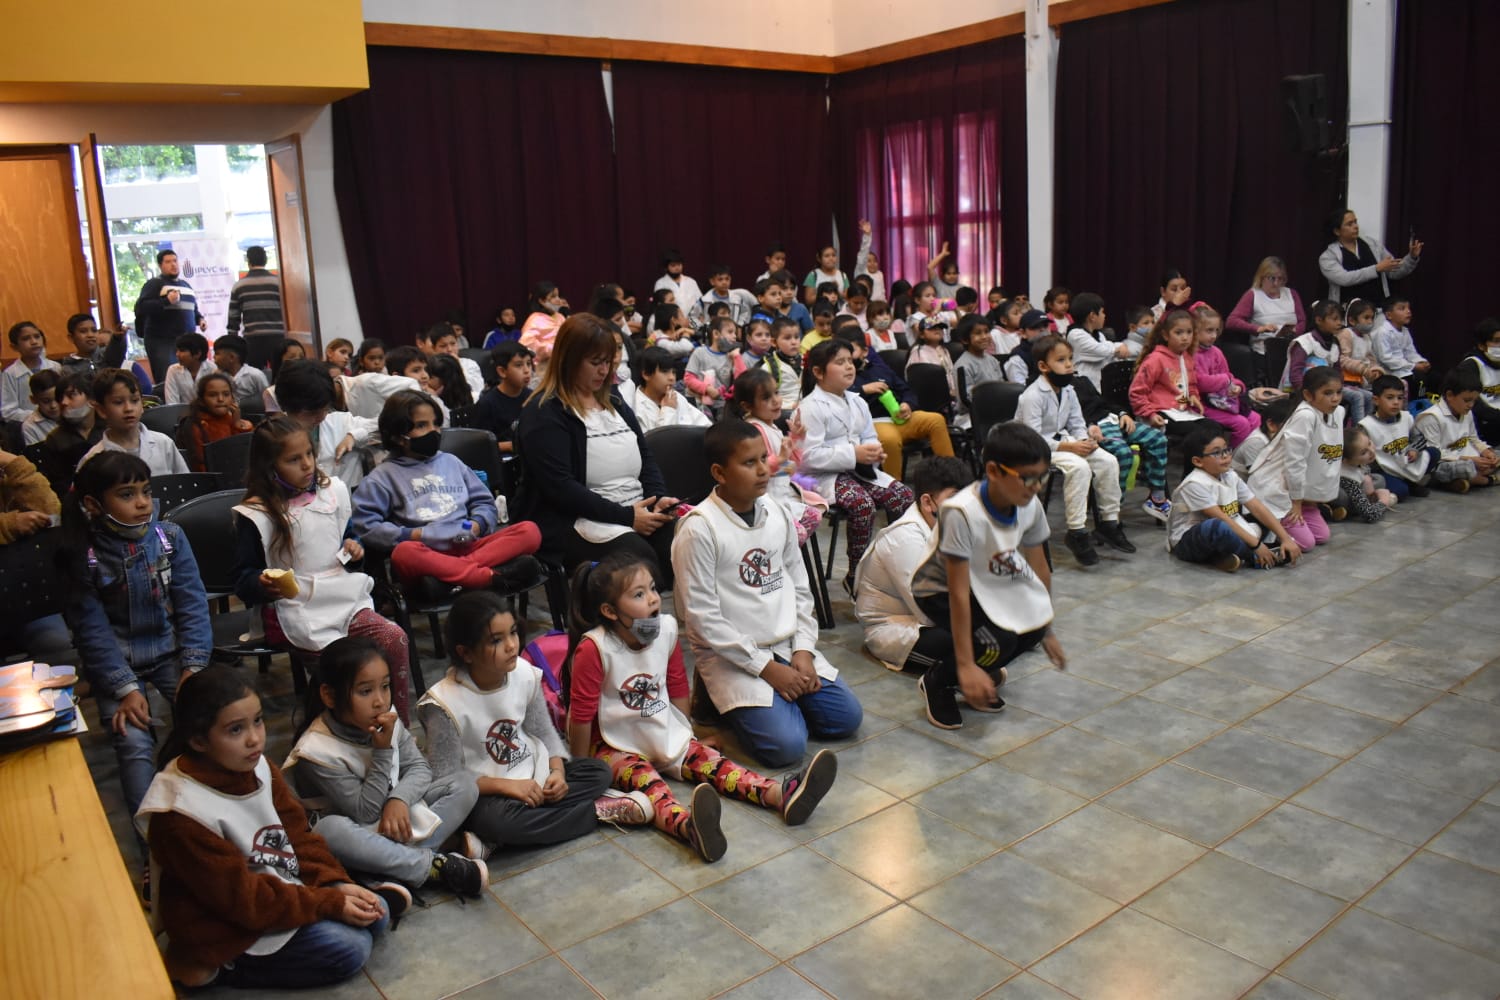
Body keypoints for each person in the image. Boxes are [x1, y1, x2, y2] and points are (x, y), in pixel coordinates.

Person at [564, 553, 838, 862]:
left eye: (653, 589)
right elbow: (582, 714)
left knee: (716, 764)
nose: (654, 600)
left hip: (661, 729)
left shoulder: (666, 628)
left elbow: (678, 685)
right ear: (609, 611)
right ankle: (688, 827)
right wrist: (581, 766)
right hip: (614, 745)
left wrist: (687, 736)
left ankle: (779, 794)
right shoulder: (595, 648)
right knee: (651, 786)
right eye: (639, 595)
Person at [136, 665, 389, 990]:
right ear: (199, 740)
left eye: (257, 721)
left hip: (277, 895)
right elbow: (242, 901)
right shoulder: (179, 815)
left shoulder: (258, 767)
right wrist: (326, 903)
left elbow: (299, 838)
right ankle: (211, 966)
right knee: (350, 949)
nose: (255, 738)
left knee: (376, 913)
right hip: (226, 925)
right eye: (235, 730)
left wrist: (333, 884)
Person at [672, 420, 863, 767]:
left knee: (845, 719)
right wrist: (767, 669)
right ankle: (720, 703)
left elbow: (799, 587)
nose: (763, 470)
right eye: (749, 463)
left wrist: (803, 650)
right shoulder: (699, 529)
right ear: (720, 472)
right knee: (787, 749)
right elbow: (701, 619)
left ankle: (778, 701)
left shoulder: (776, 511)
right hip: (735, 654)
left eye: (764, 458)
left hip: (787, 644)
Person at [64, 452, 212, 872]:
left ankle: (217, 826)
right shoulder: (86, 555)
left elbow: (192, 604)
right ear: (93, 505)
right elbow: (91, 632)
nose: (143, 502)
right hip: (117, 667)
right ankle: (155, 855)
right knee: (133, 743)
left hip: (167, 653)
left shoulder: (169, 537)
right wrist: (125, 688)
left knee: (209, 718)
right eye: (127, 494)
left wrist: (193, 669)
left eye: (146, 491)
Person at [419, 591, 637, 856]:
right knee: (496, 821)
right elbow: (446, 780)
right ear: (466, 653)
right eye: (496, 640)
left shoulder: (523, 673)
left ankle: (492, 842)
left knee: (599, 772)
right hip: (489, 794)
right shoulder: (443, 703)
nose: (512, 645)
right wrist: (508, 787)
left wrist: (557, 771)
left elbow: (544, 732)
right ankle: (596, 812)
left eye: (513, 632)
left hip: (534, 775)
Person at [233, 415, 414, 716]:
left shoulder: (333, 492)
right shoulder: (257, 514)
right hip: (297, 609)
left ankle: (397, 730)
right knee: (349, 670)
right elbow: (243, 581)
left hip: (343, 598)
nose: (306, 464)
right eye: (293, 459)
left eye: (309, 454)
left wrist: (354, 550)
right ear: (270, 468)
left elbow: (347, 539)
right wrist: (262, 585)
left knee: (394, 639)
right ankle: (345, 736)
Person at [283, 637, 486, 901]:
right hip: (359, 831)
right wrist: (382, 751)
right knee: (329, 831)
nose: (380, 701)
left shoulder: (385, 715)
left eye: (386, 686)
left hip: (395, 819)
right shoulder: (315, 750)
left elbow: (419, 768)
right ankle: (432, 867)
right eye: (365, 691)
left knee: (465, 784)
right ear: (330, 696)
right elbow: (364, 811)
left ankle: (383, 872)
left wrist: (399, 799)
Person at [909, 422, 1067, 730]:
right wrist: (967, 665)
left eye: (1042, 477)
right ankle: (940, 680)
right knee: (997, 641)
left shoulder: (1029, 504)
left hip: (986, 581)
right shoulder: (962, 512)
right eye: (1027, 478)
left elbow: (1040, 567)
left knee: (1031, 630)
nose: (1037, 487)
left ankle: (980, 668)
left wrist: (1046, 629)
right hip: (938, 589)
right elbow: (956, 592)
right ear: (994, 471)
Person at [516, 314, 681, 582]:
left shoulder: (614, 401)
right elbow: (560, 488)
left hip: (632, 510)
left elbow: (645, 456)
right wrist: (627, 517)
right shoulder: (544, 413)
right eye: (595, 363)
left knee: (687, 542)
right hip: (574, 520)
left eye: (607, 362)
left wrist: (657, 498)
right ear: (568, 361)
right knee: (637, 563)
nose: (604, 371)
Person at [352, 390, 540, 589]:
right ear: (399, 436)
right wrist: (412, 535)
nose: (433, 431)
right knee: (404, 553)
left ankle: (452, 579)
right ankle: (486, 578)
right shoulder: (383, 477)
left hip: (468, 544)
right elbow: (366, 525)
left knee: (529, 530)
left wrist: (477, 524)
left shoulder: (451, 462)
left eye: (436, 424)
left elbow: (484, 502)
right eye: (422, 425)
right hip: (427, 552)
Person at [796, 339, 915, 593]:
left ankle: (894, 565)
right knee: (862, 505)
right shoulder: (810, 408)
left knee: (903, 496)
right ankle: (856, 575)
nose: (849, 367)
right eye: (840, 362)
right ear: (818, 372)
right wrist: (854, 453)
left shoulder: (858, 401)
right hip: (823, 476)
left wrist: (873, 451)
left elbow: (868, 435)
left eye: (850, 361)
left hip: (858, 470)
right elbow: (808, 457)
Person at [1016, 335, 1134, 566]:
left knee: (1108, 460)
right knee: (1079, 468)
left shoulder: (1069, 390)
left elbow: (1078, 423)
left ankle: (1109, 522)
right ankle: (1077, 531)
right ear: (1043, 366)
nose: (1069, 364)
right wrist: (1071, 447)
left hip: (1064, 443)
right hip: (1034, 448)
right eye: (1061, 360)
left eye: (1070, 358)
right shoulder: (1031, 395)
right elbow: (1033, 437)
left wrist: (1085, 440)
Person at [854, 457, 970, 674]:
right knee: (967, 640)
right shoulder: (905, 538)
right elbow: (928, 611)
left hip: (934, 612)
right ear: (928, 502)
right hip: (893, 626)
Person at [1168, 423, 1302, 572]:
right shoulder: (1193, 484)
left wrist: (1285, 538)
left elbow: (1256, 507)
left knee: (1267, 513)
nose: (1225, 456)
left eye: (1226, 449)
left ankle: (1225, 556)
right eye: (1216, 453)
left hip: (1229, 527)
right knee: (1218, 527)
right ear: (1198, 461)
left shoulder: (1230, 475)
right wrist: (1257, 546)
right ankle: (1256, 557)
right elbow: (1220, 518)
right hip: (1189, 541)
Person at [1247, 366, 1346, 549]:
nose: (1335, 398)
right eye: (1327, 393)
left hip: (1302, 494)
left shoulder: (1338, 412)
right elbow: (1295, 463)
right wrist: (1296, 503)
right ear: (1308, 395)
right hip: (1279, 489)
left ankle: (1303, 511)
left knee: (1322, 536)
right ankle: (1267, 528)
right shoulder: (1305, 416)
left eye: (1339, 392)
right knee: (1306, 544)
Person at [839, 330, 955, 475]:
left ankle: (952, 475)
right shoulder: (841, 374)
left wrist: (907, 404)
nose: (848, 358)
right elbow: (839, 399)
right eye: (843, 356)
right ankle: (895, 489)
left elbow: (906, 390)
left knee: (936, 420)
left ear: (865, 352)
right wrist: (863, 389)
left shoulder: (880, 369)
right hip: (873, 422)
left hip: (899, 416)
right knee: (889, 439)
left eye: (852, 351)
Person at [729, 368, 824, 544]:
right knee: (799, 532)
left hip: (780, 491)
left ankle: (784, 553)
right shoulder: (753, 430)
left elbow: (790, 467)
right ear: (747, 406)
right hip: (763, 499)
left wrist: (796, 439)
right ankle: (778, 557)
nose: (776, 401)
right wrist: (780, 460)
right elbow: (757, 469)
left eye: (776, 393)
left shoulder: (772, 427)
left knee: (815, 513)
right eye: (766, 398)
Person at [274, 361, 375, 490]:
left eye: (326, 408)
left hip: (350, 504)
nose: (321, 417)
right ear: (287, 408)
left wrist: (355, 436)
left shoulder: (341, 422)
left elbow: (387, 423)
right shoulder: (274, 436)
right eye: (312, 413)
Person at [78, 369, 190, 476]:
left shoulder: (164, 444)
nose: (128, 408)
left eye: (135, 400)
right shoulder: (93, 459)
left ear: (142, 405)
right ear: (101, 410)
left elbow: (185, 484)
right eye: (118, 402)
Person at [1226, 256, 1306, 384]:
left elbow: (1302, 321)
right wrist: (1258, 329)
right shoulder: (1253, 295)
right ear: (1262, 277)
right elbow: (1232, 321)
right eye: (1272, 278)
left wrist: (1295, 331)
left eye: (1280, 279)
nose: (1276, 283)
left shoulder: (1292, 294)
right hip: (1264, 352)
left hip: (1290, 348)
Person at [1415, 367, 1497, 492]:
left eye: (1474, 401)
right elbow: (1435, 454)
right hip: (1446, 463)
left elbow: (1473, 438)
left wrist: (1487, 452)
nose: (1471, 405)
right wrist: (1470, 460)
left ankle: (1465, 481)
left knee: (1495, 455)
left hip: (1470, 458)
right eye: (1467, 400)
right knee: (1465, 468)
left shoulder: (1466, 411)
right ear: (1449, 395)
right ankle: (1489, 480)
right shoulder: (1431, 417)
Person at [1318, 208, 1421, 306]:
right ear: (1337, 231)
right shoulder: (1327, 257)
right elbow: (1345, 279)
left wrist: (1411, 257)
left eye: (1355, 222)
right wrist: (1376, 269)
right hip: (1347, 314)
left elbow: (1394, 272)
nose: (1356, 226)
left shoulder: (1373, 245)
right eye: (1350, 224)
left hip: (1379, 308)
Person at [1192, 305, 1261, 447]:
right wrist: (1225, 381)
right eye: (1209, 330)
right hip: (1202, 405)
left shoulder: (1216, 352)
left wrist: (1237, 387)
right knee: (1241, 424)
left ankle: (1247, 456)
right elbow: (1201, 382)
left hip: (1222, 402)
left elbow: (1229, 376)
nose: (1214, 335)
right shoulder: (1191, 354)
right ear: (1195, 331)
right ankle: (1232, 459)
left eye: (1216, 331)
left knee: (1256, 419)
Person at [132, 249, 206, 383]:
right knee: (167, 378)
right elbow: (141, 307)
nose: (173, 264)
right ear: (160, 265)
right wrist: (166, 301)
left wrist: (200, 319)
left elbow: (192, 309)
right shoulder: (154, 284)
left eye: (175, 261)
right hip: (162, 341)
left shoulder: (186, 285)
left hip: (186, 342)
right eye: (168, 262)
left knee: (188, 380)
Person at [1357, 375, 1435, 499]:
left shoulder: (1406, 417)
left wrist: (1414, 449)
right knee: (1401, 491)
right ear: (1376, 400)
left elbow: (1420, 438)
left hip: (1405, 462)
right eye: (1390, 398)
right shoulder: (1366, 425)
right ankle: (1409, 485)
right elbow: (1361, 458)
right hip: (1384, 469)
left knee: (1433, 452)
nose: (1396, 402)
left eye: (1400, 398)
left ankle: (1411, 483)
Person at [1130, 310, 1205, 429]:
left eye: (1189, 332)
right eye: (1178, 333)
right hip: (1160, 412)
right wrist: (1150, 414)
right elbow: (1137, 392)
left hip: (1182, 412)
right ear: (1165, 335)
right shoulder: (1156, 359)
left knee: (1213, 427)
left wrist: (1192, 396)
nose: (1185, 337)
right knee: (1198, 432)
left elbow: (1189, 384)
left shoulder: (1187, 358)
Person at [34, 370, 102, 495]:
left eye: (71, 395)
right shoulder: (56, 439)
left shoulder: (110, 429)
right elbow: (57, 485)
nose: (63, 402)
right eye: (60, 398)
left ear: (91, 399)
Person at [175, 373, 252, 471]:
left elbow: (245, 456)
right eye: (213, 395)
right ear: (201, 400)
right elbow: (199, 465)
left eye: (226, 394)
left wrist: (237, 424)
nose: (220, 399)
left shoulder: (232, 420)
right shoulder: (194, 425)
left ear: (232, 398)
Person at [469, 342, 534, 454]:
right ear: (502, 371)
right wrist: (509, 446)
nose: (527, 370)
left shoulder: (532, 396)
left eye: (528, 364)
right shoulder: (488, 403)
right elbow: (478, 445)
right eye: (519, 365)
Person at [1065, 292, 1133, 389]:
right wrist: (1118, 347)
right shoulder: (1075, 334)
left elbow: (1108, 353)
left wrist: (1118, 348)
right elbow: (1100, 351)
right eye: (1102, 312)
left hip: (1101, 386)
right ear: (1092, 316)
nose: (1104, 316)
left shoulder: (1099, 335)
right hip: (1084, 389)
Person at [634, 347, 711, 432]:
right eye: (665, 371)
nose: (672, 378)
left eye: (673, 372)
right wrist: (668, 410)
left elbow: (704, 425)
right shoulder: (636, 407)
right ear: (646, 374)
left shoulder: (675, 396)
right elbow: (658, 441)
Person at [1371, 295, 1431, 398]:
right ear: (1389, 315)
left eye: (1408, 308)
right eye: (1402, 308)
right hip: (1389, 372)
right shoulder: (1382, 333)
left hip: (1404, 368)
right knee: (1417, 379)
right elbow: (1386, 359)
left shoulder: (1405, 331)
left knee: (1433, 377)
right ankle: (1413, 406)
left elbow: (1410, 352)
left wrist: (1421, 362)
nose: (1408, 311)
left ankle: (1424, 403)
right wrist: (1413, 366)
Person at [2, 321, 62, 422]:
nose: (34, 342)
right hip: (27, 425)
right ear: (14, 346)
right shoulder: (10, 374)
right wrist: (39, 415)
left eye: (37, 336)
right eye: (26, 339)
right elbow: (8, 411)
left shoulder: (55, 367)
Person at [1335, 298, 1383, 423]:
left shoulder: (1367, 337)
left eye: (1372, 318)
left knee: (1370, 397)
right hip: (1344, 381)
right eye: (1366, 318)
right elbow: (1342, 359)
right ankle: (1358, 429)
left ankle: (1367, 426)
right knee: (1358, 397)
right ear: (1352, 320)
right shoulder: (1346, 334)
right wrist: (1362, 369)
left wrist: (1375, 370)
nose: (1370, 322)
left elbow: (1371, 359)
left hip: (1359, 381)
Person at [1337, 425, 1398, 522]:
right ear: (1346, 460)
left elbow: (1365, 474)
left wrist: (1367, 481)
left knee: (1379, 479)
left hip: (1358, 489)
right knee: (1342, 497)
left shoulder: (1358, 463)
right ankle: (1332, 510)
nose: (1372, 451)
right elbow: (1370, 515)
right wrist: (1383, 501)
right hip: (1341, 494)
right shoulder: (1348, 478)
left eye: (1369, 443)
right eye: (1363, 452)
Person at [1281, 299, 1343, 392]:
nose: (1339, 323)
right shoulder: (1304, 342)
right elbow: (1295, 376)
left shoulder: (1335, 343)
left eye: (1340, 319)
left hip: (1327, 391)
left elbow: (1337, 371)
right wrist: (1309, 395)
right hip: (1302, 393)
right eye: (1334, 319)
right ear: (1319, 320)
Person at [224, 245, 285, 337]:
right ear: (266, 261)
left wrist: (233, 340)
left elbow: (233, 317)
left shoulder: (239, 286)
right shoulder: (279, 283)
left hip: (252, 339)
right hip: (279, 336)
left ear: (248, 261)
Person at [683, 315, 739, 413]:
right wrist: (707, 389)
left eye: (735, 333)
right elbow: (688, 379)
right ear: (716, 334)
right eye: (730, 332)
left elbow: (736, 383)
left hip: (720, 405)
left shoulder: (732, 357)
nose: (735, 336)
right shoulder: (700, 352)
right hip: (696, 403)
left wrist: (737, 359)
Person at [1233, 396, 1296, 479]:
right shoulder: (1256, 443)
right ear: (1271, 424)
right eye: (1290, 425)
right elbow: (1260, 478)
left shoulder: (1277, 438)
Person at [1459, 318, 1500, 444]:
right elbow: (1471, 403)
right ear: (1481, 345)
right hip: (1485, 421)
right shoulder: (1471, 365)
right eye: (1497, 341)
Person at [954, 315, 1005, 415]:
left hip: (996, 408)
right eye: (978, 333)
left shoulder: (992, 360)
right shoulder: (963, 365)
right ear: (965, 340)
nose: (984, 337)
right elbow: (966, 399)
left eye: (986, 332)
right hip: (972, 415)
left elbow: (1001, 385)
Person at [520, 280, 567, 381]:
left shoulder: (560, 317)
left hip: (564, 366)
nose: (559, 300)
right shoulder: (534, 319)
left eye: (558, 296)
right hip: (543, 371)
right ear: (541, 300)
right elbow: (526, 345)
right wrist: (552, 349)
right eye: (553, 296)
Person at [690, 264, 756, 328]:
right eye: (720, 279)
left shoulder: (737, 298)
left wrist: (739, 325)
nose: (724, 282)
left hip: (732, 333)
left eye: (727, 279)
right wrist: (701, 328)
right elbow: (692, 316)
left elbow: (744, 312)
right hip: (711, 335)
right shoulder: (705, 300)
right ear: (712, 281)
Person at [212, 334, 270, 405]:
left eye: (217, 354)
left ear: (231, 357)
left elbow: (269, 401)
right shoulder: (217, 375)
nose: (213, 357)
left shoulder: (255, 375)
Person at [162, 332, 217, 405]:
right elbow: (172, 403)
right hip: (181, 415)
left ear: (197, 354)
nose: (177, 354)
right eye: (177, 350)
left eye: (182, 351)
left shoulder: (212, 369)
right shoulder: (173, 370)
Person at [1003, 309, 1053, 384]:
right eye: (1036, 327)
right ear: (1023, 333)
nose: (1043, 330)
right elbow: (1020, 390)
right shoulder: (1018, 359)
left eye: (1045, 325)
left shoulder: (1054, 350)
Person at [426, 353, 474, 428]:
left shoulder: (466, 398)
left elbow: (447, 426)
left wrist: (435, 399)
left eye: (430, 377)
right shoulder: (422, 393)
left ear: (445, 380)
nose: (425, 379)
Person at [655, 250, 704, 321]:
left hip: (693, 322)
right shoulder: (660, 283)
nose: (677, 268)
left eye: (679, 264)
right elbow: (660, 308)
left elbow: (700, 302)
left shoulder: (691, 281)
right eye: (673, 265)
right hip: (671, 322)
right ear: (666, 267)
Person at [20, 369, 61, 445]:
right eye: (46, 401)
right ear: (33, 400)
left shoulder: (73, 413)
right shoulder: (29, 427)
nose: (53, 406)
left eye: (58, 398)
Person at [853, 220, 886, 301]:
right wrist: (867, 235)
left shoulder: (880, 274)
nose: (873, 263)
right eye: (869, 261)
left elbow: (882, 293)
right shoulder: (861, 271)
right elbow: (863, 254)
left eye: (875, 261)